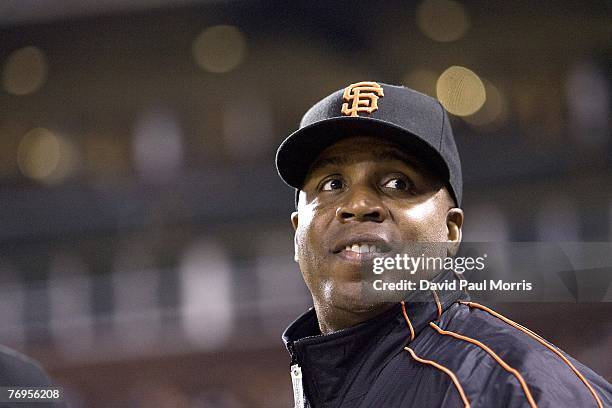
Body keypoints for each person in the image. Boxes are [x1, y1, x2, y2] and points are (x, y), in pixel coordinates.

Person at [275, 81, 612, 407]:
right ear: (296, 232)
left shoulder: (519, 390)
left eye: (398, 182)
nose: (358, 204)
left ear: (451, 231)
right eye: (332, 183)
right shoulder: (320, 387)